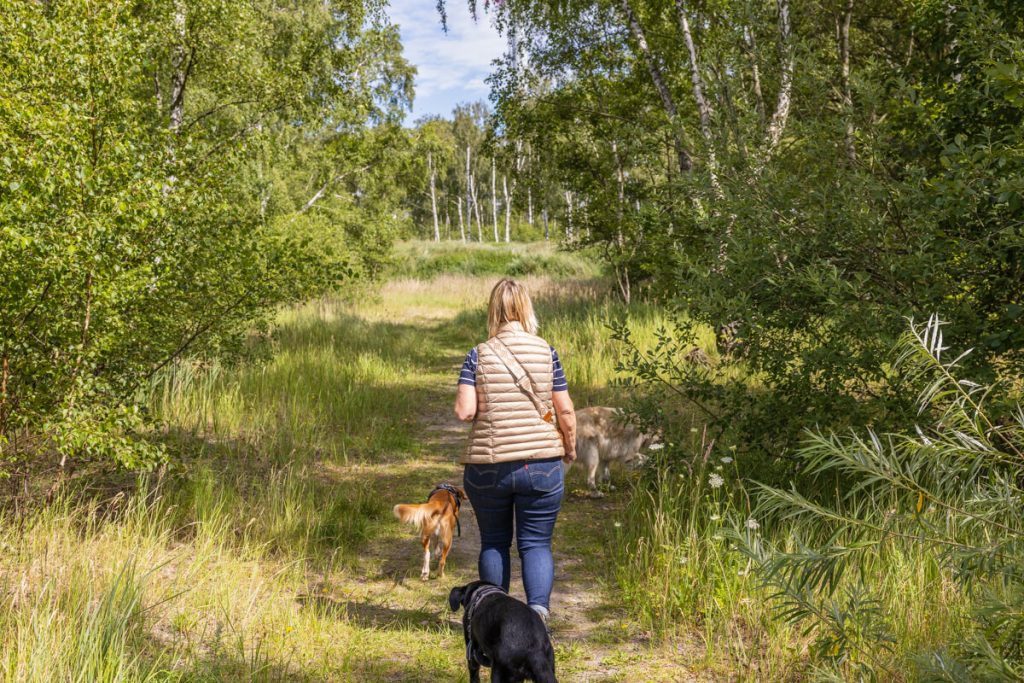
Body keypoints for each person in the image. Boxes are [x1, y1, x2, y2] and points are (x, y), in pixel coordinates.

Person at [454, 278, 577, 625]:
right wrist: (569, 447)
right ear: (526, 309)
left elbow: (464, 411)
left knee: (494, 541)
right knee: (536, 543)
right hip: (541, 464)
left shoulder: (477, 354)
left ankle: (493, 618)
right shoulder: (546, 351)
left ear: (493, 311)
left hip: (488, 466)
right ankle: (537, 617)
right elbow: (565, 410)